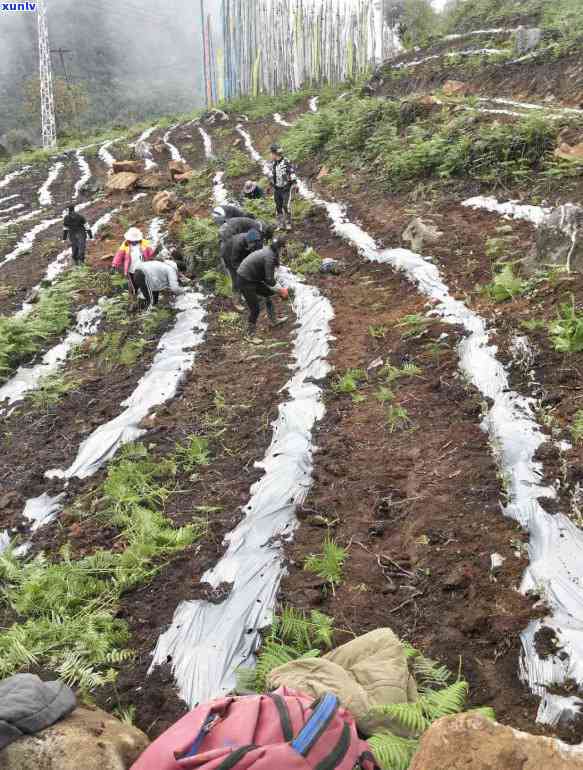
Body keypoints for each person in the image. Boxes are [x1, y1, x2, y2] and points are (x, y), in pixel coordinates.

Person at [237, 237, 289, 335]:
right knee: (255, 309)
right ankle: (250, 334)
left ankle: (274, 320)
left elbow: (274, 267)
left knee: (268, 293)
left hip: (253, 277)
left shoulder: (271, 251)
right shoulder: (269, 257)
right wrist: (281, 290)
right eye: (283, 248)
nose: (284, 250)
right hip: (245, 280)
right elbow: (269, 279)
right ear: (279, 248)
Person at [112, 227, 155, 296]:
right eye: (132, 240)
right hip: (131, 269)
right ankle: (135, 294)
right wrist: (115, 264)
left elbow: (151, 253)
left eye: (135, 240)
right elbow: (119, 255)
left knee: (144, 281)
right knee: (133, 283)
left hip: (143, 267)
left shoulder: (144, 243)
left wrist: (154, 258)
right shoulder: (125, 245)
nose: (134, 241)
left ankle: (147, 293)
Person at [221, 228, 263, 295]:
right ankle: (237, 293)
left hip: (242, 252)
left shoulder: (257, 241)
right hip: (228, 254)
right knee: (235, 275)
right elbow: (234, 262)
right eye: (251, 244)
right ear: (248, 241)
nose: (252, 246)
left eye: (254, 244)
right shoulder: (239, 243)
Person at [270, 144, 297, 231]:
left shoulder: (285, 162)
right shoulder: (274, 163)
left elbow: (291, 172)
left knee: (286, 206)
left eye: (271, 153)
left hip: (286, 188)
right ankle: (280, 224)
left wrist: (294, 183)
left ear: (275, 154)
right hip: (277, 188)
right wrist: (271, 185)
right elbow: (273, 175)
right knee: (278, 206)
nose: (271, 155)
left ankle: (288, 223)